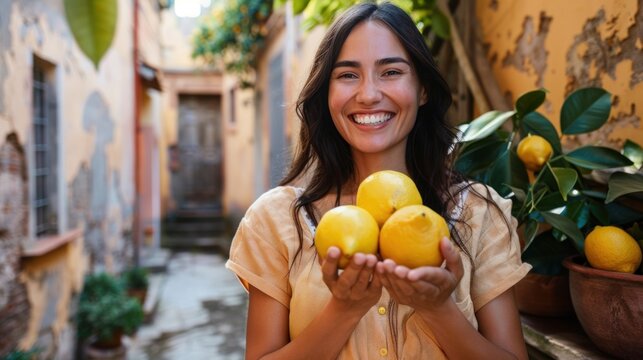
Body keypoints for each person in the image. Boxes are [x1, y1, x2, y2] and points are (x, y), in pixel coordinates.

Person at [226, 2, 532, 359]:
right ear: (326, 96)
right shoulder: (277, 221)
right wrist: (344, 309)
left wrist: (438, 309)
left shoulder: (478, 212)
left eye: (390, 72)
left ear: (422, 89)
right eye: (347, 75)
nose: (368, 94)